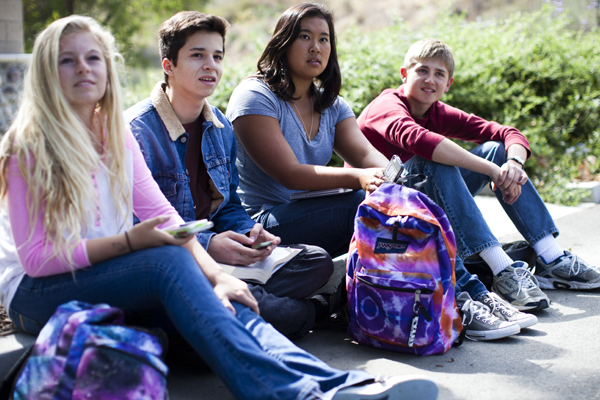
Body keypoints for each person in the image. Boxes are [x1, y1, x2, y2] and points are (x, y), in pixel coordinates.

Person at [0, 15, 440, 400]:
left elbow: (167, 219)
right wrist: (141, 243)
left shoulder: (116, 135)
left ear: (107, 70)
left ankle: (332, 387)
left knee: (231, 303)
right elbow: (39, 260)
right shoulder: (28, 146)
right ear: (46, 72)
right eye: (67, 59)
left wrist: (217, 280)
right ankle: (299, 388)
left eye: (93, 58)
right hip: (37, 291)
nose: (83, 68)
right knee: (168, 265)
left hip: (118, 272)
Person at [226, 3, 534, 340]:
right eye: (305, 36)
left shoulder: (331, 104)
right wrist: (360, 179)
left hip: (321, 213)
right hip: (266, 221)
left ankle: (473, 294)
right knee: (363, 201)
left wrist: (400, 184)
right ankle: (463, 299)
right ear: (283, 42)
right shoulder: (255, 96)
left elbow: (367, 156)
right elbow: (290, 173)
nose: (316, 47)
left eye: (324, 39)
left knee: (408, 190)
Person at [125, 11, 336, 339]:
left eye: (217, 56)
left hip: (224, 260)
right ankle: (313, 311)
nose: (211, 65)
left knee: (316, 261)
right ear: (169, 66)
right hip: (171, 264)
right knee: (246, 308)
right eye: (198, 55)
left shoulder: (219, 128)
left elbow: (228, 206)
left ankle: (240, 303)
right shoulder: (136, 131)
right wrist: (209, 245)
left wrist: (250, 232)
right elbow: (134, 227)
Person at [357, 38, 600, 312]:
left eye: (439, 74)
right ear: (404, 74)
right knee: (433, 159)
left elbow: (507, 133)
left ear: (448, 84)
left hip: (418, 205)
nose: (430, 80)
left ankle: (551, 257)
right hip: (380, 215)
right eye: (422, 70)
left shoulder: (436, 112)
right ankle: (503, 270)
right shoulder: (386, 105)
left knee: (496, 150)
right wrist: (492, 172)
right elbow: (420, 141)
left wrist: (513, 165)